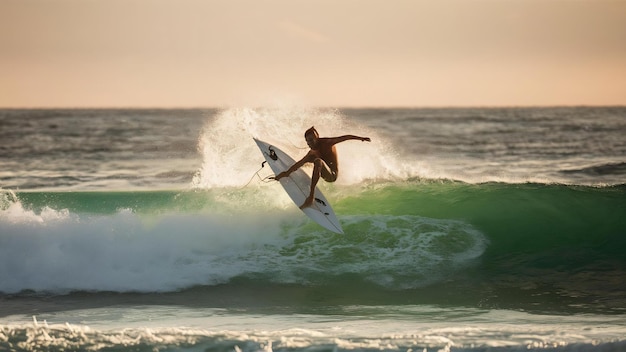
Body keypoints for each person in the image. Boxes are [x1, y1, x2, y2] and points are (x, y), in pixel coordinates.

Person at [271, 126, 371, 209]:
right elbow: (298, 164)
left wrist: (361, 138)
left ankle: (311, 197)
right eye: (307, 141)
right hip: (321, 166)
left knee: (317, 161)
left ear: (317, 137)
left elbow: (344, 137)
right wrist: (286, 173)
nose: (309, 143)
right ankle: (295, 171)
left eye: (311, 140)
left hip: (332, 175)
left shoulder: (327, 142)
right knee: (305, 161)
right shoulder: (311, 152)